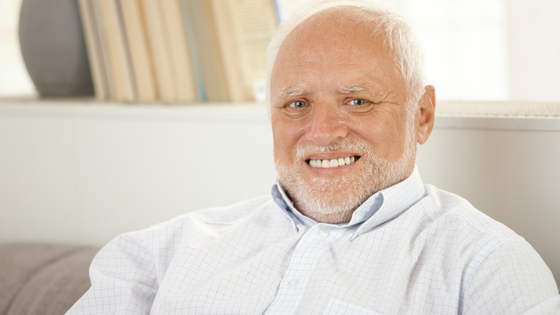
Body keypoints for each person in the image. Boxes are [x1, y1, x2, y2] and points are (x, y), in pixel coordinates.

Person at [67, 0, 560, 314]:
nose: (321, 132)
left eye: (358, 101)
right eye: (297, 104)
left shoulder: (485, 266)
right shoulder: (159, 252)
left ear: (422, 115)